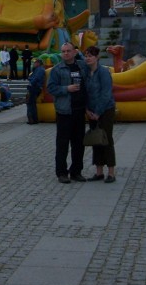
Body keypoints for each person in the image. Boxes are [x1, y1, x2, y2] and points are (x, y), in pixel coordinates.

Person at [47, 41, 89, 184]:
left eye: (68, 51)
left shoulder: (82, 66)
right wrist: (66, 89)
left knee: (78, 143)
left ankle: (76, 171)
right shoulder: (57, 70)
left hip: (79, 110)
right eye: (63, 51)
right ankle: (62, 172)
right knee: (62, 144)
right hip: (64, 111)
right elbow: (51, 88)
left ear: (74, 52)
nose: (65, 53)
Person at [84, 46, 117, 183]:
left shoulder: (103, 72)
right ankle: (99, 171)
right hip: (91, 111)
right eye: (86, 55)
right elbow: (84, 93)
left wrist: (98, 112)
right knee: (95, 139)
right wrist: (87, 110)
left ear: (97, 57)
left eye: (91, 55)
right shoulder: (86, 73)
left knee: (106, 139)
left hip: (105, 110)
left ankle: (111, 172)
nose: (88, 58)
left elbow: (106, 93)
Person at [26, 58, 45, 125]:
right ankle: (34, 119)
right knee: (32, 103)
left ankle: (32, 119)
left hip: (34, 88)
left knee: (30, 103)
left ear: (38, 63)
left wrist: (31, 82)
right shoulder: (38, 69)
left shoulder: (40, 70)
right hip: (35, 87)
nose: (33, 64)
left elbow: (36, 78)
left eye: (34, 63)